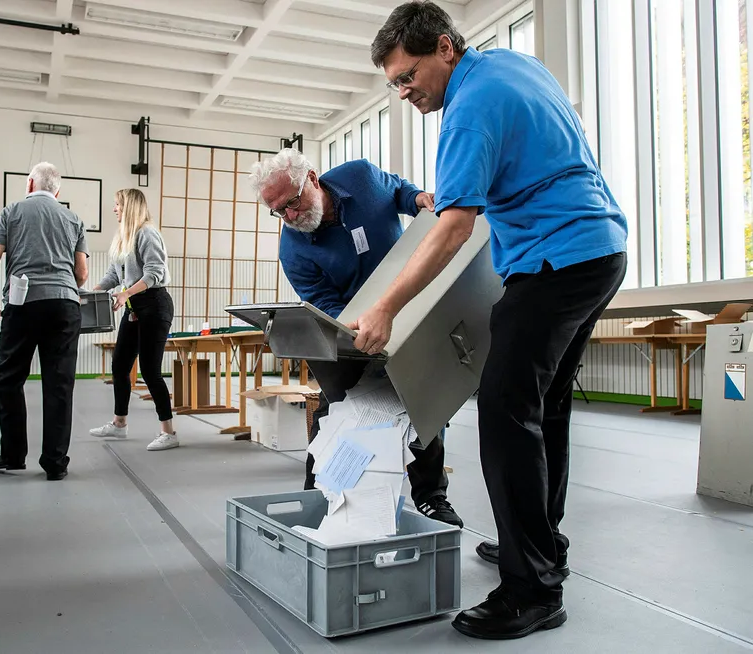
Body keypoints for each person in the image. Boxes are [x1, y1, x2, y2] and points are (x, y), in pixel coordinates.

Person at [357, 2, 628, 639]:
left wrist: (386, 308)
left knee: (506, 409)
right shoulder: (514, 66)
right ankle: (542, 543)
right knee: (545, 405)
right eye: (395, 84)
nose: (406, 92)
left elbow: (453, 225)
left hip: (556, 262)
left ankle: (532, 588)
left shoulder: (469, 109)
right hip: (601, 249)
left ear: (445, 47)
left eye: (409, 76)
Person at [248, 148, 463, 529]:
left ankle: (432, 497)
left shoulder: (360, 178)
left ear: (312, 178)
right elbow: (322, 302)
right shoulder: (293, 250)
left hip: (413, 305)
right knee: (336, 409)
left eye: (293, 203)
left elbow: (396, 190)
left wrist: (416, 200)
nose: (291, 217)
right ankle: (317, 493)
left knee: (422, 403)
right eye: (278, 211)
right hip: (354, 331)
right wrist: (356, 329)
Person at [0, 162, 89, 481]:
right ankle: (55, 463)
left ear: (30, 184)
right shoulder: (74, 218)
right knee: (59, 384)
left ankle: (13, 455)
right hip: (64, 305)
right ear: (57, 191)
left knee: (9, 378)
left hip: (22, 301)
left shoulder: (11, 212)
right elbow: (81, 274)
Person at [89, 189, 176, 452]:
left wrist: (126, 292)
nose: (114, 209)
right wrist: (91, 293)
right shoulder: (122, 238)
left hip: (155, 305)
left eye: (118, 205)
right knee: (120, 365)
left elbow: (154, 273)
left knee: (150, 370)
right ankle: (119, 423)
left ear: (130, 207)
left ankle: (169, 432)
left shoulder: (147, 233)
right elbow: (112, 276)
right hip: (134, 308)